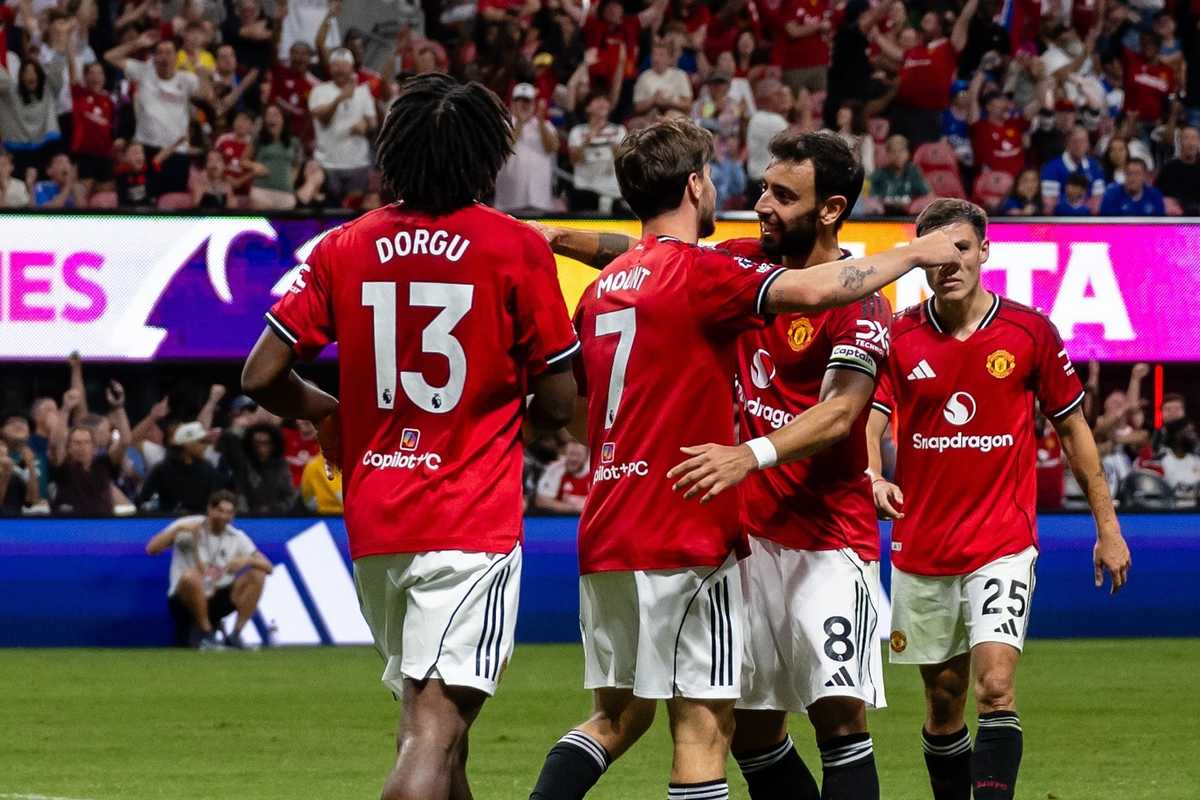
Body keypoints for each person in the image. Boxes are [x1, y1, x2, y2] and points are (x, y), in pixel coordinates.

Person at [527, 117, 961, 800]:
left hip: (825, 540)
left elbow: (841, 414)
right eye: (762, 189)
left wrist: (748, 454)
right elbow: (647, 252)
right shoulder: (730, 263)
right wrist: (559, 236)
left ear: (830, 210)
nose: (762, 205)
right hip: (741, 539)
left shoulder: (861, 303)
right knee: (751, 732)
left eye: (783, 196)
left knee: (838, 717)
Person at [241, 73, 580, 800]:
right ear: (488, 160)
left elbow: (262, 374)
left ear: (391, 154)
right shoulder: (514, 246)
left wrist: (328, 411)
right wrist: (508, 403)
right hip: (469, 520)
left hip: (377, 521)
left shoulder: (344, 246)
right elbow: (557, 401)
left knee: (440, 734)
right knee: (433, 731)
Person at [866, 198, 1131, 800]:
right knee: (943, 703)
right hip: (922, 547)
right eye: (936, 253)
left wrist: (1107, 526)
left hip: (1002, 544)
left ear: (985, 252)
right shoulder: (898, 335)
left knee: (995, 691)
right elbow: (870, 423)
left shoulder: (1030, 330)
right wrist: (872, 476)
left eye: (961, 248)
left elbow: (1073, 430)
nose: (949, 262)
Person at [146, 490, 273, 649]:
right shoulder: (188, 525)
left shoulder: (237, 536)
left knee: (257, 574)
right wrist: (176, 531)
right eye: (219, 511)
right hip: (185, 597)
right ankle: (207, 636)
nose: (223, 516)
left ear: (233, 516)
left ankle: (235, 635)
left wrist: (246, 560)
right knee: (191, 577)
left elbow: (268, 567)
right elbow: (151, 549)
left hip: (218, 596)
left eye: (228, 513)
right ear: (210, 510)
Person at [105, 32, 209, 195]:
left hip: (177, 152)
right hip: (147, 151)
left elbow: (207, 95)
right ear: (154, 57)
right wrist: (137, 43)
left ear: (176, 56)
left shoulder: (186, 79)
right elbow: (109, 56)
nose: (163, 57)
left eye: (168, 52)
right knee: (145, 202)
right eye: (159, 52)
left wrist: (198, 69)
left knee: (174, 206)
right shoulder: (144, 72)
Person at [308, 47, 376, 205]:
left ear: (351, 67)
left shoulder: (363, 91)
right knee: (329, 212)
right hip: (327, 164)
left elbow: (373, 125)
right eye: (336, 65)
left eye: (344, 65)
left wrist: (366, 127)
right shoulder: (319, 90)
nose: (340, 70)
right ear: (330, 68)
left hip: (358, 163)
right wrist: (340, 98)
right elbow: (322, 118)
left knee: (354, 212)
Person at [48, 383, 130, 515]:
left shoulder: (104, 463)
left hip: (101, 524)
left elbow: (125, 441)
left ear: (94, 447)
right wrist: (66, 409)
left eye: (86, 442)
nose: (82, 447)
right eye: (77, 443)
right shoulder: (64, 466)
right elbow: (57, 443)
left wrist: (118, 407)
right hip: (68, 526)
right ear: (69, 448)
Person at [493, 83, 559, 213]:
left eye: (527, 101)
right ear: (512, 102)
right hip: (509, 200)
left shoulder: (545, 125)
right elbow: (504, 147)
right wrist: (520, 123)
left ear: (533, 103)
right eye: (519, 100)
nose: (524, 104)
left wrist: (540, 121)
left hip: (539, 200)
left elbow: (552, 147)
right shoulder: (503, 124)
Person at [137, 421, 229, 513]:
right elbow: (142, 500)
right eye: (201, 442)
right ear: (186, 444)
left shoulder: (209, 470)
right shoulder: (161, 470)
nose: (205, 446)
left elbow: (217, 502)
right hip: (168, 522)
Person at [568, 91, 626, 212]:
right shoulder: (577, 131)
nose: (602, 103)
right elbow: (574, 160)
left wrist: (617, 150)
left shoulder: (618, 130)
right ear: (587, 108)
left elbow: (623, 161)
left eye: (605, 100)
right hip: (585, 191)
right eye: (597, 100)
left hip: (612, 193)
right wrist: (586, 143)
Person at [1039, 126, 1106, 211]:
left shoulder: (1095, 166)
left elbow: (1097, 203)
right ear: (1067, 144)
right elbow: (1049, 206)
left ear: (1088, 144)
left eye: (1083, 141)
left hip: (1088, 221)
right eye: (1075, 141)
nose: (1079, 145)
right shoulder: (1051, 168)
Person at [869, 134, 930, 215]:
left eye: (901, 151)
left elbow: (926, 196)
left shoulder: (914, 172)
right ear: (887, 154)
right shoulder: (879, 175)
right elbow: (872, 199)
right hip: (884, 218)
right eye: (894, 152)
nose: (898, 155)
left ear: (908, 153)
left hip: (910, 218)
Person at [534, 440, 590, 514]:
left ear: (586, 457)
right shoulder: (554, 469)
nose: (574, 459)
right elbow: (541, 501)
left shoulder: (596, 470)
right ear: (564, 454)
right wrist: (574, 509)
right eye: (571, 454)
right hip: (560, 520)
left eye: (578, 455)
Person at [1154, 126, 1200, 215]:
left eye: (1194, 138)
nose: (1191, 143)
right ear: (1179, 142)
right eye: (1186, 138)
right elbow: (1158, 195)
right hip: (1175, 220)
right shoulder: (1169, 169)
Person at [1099, 158, 1164, 216]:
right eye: (1129, 173)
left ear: (1145, 176)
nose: (1132, 178)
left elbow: (1160, 224)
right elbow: (1106, 224)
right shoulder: (1111, 195)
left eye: (1137, 174)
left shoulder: (1155, 195)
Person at [1159, 419, 1200, 507]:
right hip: (1169, 513)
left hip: (1194, 514)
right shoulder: (1162, 461)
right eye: (1189, 432)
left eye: (1193, 432)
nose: (1194, 436)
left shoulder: (1197, 460)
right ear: (1177, 435)